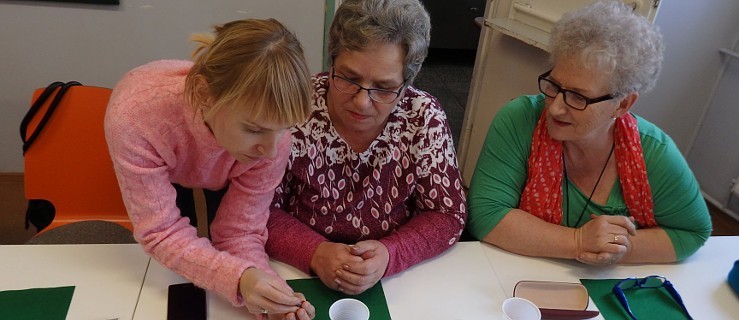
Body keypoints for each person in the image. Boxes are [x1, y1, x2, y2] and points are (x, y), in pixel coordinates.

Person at [467, 0, 712, 266]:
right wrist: (579, 242)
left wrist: (619, 249)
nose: (557, 108)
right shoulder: (519, 119)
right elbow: (486, 216)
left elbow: (693, 232)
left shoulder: (654, 152)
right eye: (554, 86)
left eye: (578, 97)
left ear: (622, 104)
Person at [105, 19, 315, 319]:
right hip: (161, 137)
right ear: (205, 95)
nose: (270, 152)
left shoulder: (273, 135)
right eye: (254, 129)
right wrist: (238, 278)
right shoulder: (134, 119)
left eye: (283, 130)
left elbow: (239, 232)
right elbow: (161, 232)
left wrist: (265, 289)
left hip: (212, 147)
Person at [266, 0, 468, 295]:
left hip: (394, 282)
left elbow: (447, 214)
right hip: (295, 275)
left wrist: (390, 254)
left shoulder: (423, 117)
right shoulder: (296, 106)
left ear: (406, 83)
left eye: (384, 88)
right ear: (331, 60)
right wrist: (314, 252)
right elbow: (257, 208)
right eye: (349, 78)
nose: (362, 102)